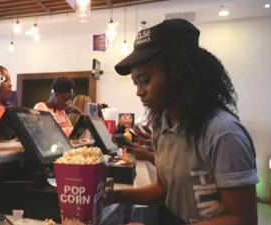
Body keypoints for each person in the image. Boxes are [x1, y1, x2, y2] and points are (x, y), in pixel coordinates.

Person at [106, 19, 258, 225]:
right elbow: (165, 190)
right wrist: (115, 196)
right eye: (136, 83)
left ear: (178, 72)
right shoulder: (163, 125)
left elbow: (242, 218)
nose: (139, 91)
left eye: (145, 80)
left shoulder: (222, 133)